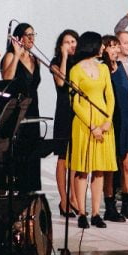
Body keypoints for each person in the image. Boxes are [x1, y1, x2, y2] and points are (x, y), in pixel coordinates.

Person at [68, 32, 117, 228]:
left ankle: (96, 213)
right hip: (84, 124)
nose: (103, 48)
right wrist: (92, 126)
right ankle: (82, 212)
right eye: (100, 44)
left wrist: (107, 121)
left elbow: (110, 96)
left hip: (103, 122)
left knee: (99, 170)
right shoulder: (75, 70)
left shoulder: (103, 68)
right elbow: (75, 102)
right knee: (82, 170)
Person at [2, 22, 42, 192]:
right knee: (16, 154)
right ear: (19, 38)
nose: (32, 38)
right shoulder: (10, 56)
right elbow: (6, 80)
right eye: (28, 35)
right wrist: (17, 55)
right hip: (16, 109)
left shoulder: (36, 59)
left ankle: (28, 194)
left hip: (33, 109)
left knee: (31, 154)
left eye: (33, 35)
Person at [100, 36, 128, 222]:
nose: (115, 49)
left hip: (127, 119)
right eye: (111, 46)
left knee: (127, 164)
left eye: (116, 46)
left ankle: (127, 202)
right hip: (112, 120)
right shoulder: (102, 68)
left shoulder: (121, 66)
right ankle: (110, 206)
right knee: (111, 167)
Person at [49, 29, 79, 217]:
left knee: (75, 157)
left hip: (78, 112)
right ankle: (63, 200)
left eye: (73, 41)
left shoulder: (81, 62)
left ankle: (74, 197)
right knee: (63, 157)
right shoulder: (55, 62)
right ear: (61, 45)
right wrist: (65, 57)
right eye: (67, 42)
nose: (71, 45)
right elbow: (61, 83)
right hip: (63, 112)